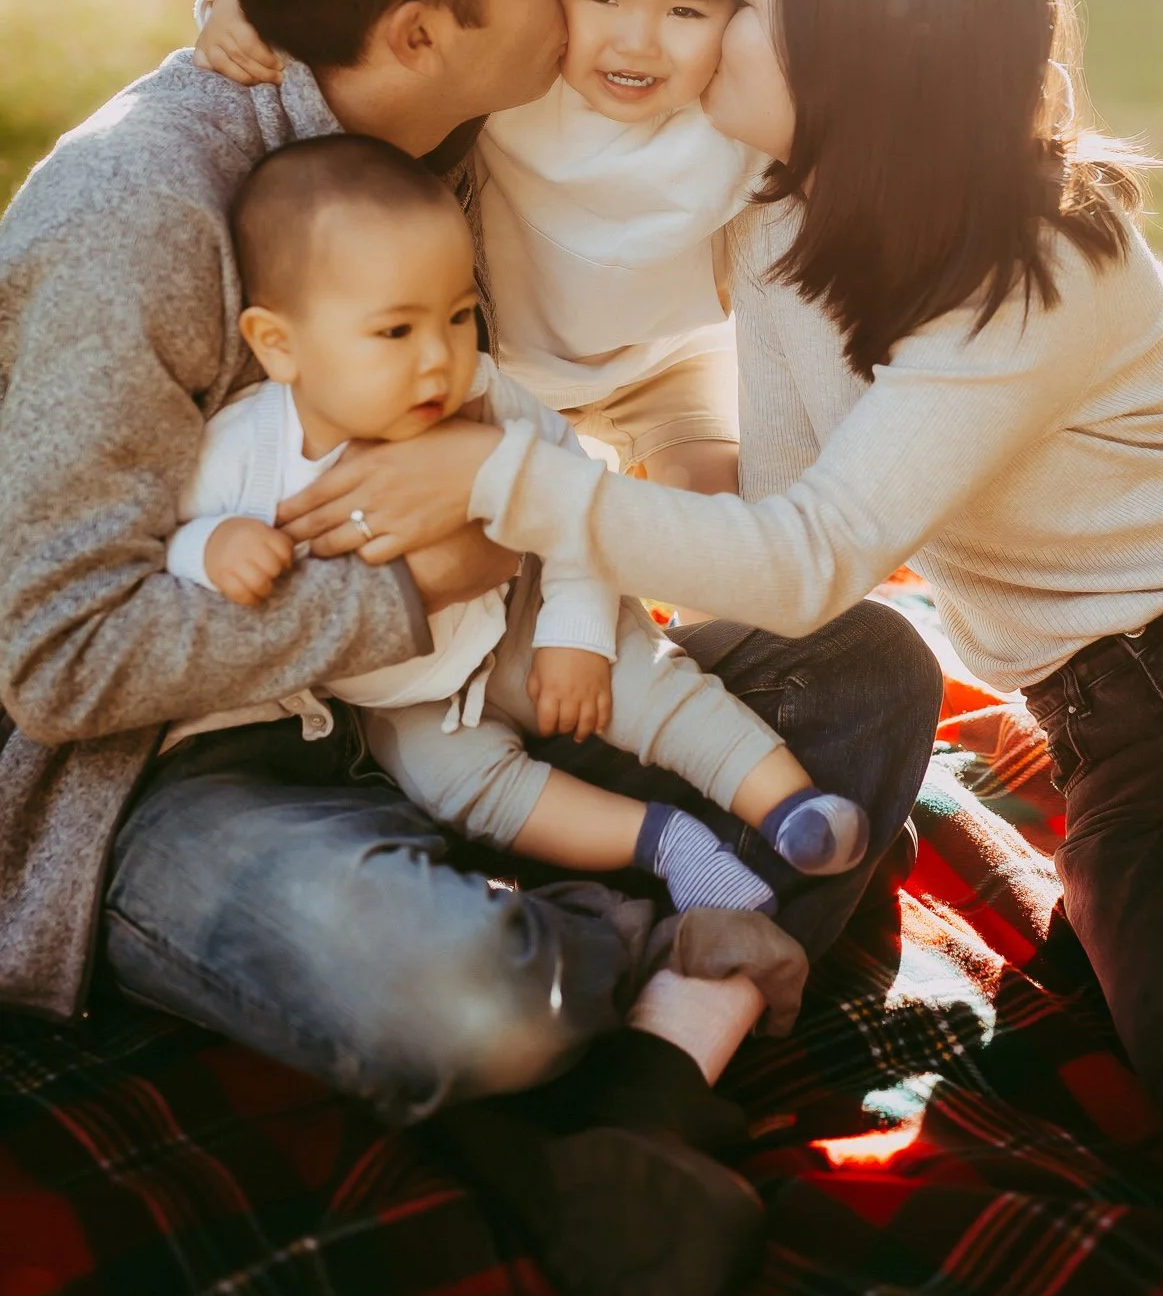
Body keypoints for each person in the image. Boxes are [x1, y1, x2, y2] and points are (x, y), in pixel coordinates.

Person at [0, 0, 943, 1296]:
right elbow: (53, 660)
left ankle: (628, 1075)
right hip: (178, 774)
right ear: (427, 24)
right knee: (467, 1000)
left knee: (867, 667)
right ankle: (622, 1013)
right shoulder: (138, 218)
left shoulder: (443, 123)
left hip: (470, 683)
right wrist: (418, 582)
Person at [286, 0, 1163, 1233]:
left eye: (753, 3)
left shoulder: (1044, 253)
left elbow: (805, 560)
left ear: (853, 59)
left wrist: (511, 488)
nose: (714, 31)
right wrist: (259, 19)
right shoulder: (780, 216)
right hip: (1117, 734)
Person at [169, 132, 870, 909]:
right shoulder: (240, 451)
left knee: (650, 686)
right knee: (465, 788)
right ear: (279, 344)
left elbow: (572, 494)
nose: (438, 356)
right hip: (406, 699)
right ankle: (666, 843)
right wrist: (214, 545)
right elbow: (175, 547)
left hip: (526, 608)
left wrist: (573, 633)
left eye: (460, 315)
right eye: (396, 331)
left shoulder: (478, 391)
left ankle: (786, 804)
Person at [196, 0, 790, 497]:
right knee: (485, 525)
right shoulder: (515, 85)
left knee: (713, 509)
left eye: (687, 9)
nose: (637, 44)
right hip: (491, 367)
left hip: (661, 367)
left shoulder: (732, 113)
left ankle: (692, 606)